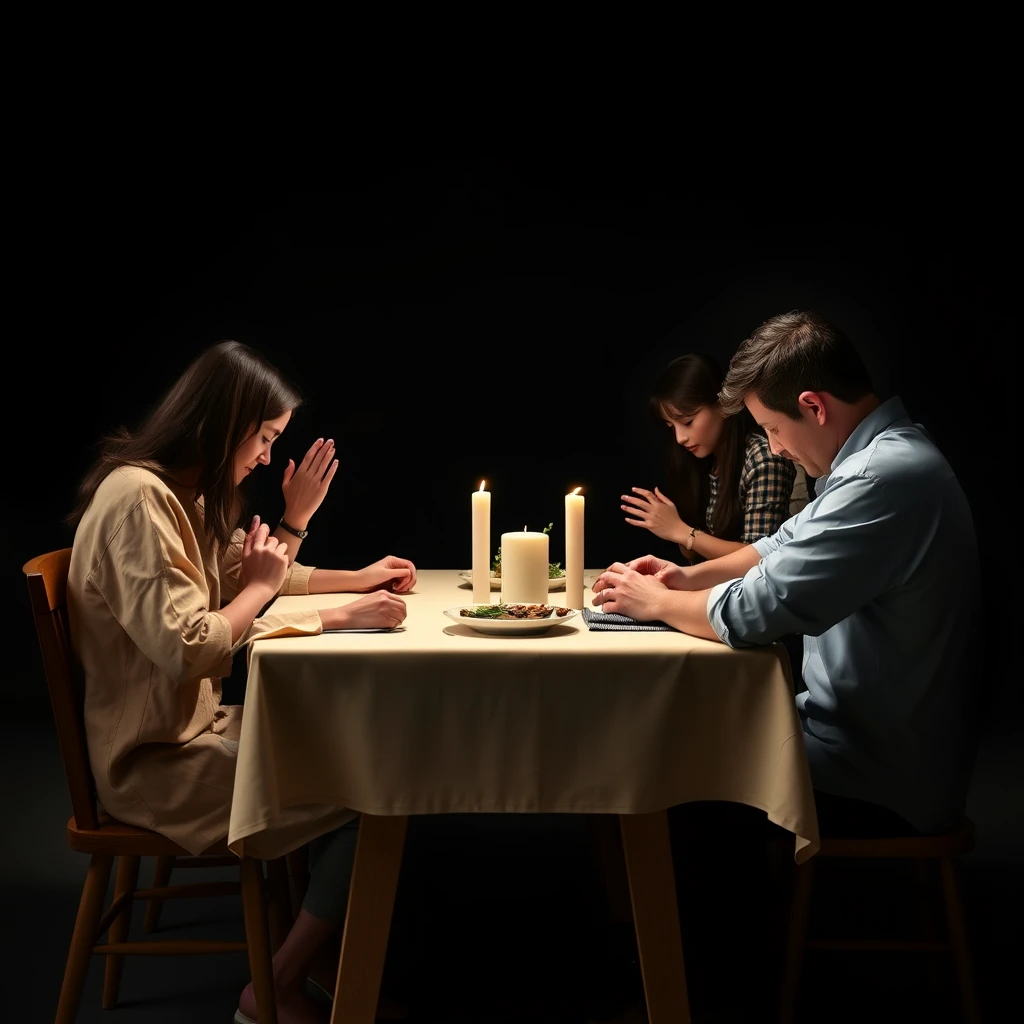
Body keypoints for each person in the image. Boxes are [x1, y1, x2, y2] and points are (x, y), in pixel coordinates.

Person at [66, 340, 416, 1024]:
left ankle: (301, 953)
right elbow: (191, 646)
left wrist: (327, 553)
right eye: (263, 437)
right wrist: (264, 586)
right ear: (223, 421)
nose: (263, 455)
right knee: (375, 793)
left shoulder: (171, 492)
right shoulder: (140, 500)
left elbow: (239, 571)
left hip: (187, 731)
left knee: (349, 750)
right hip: (155, 762)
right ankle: (272, 986)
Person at [595, 310, 981, 838]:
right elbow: (777, 544)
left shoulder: (880, 477)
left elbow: (753, 612)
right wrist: (685, 578)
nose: (775, 447)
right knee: (674, 736)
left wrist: (652, 601)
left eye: (773, 429)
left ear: (813, 407)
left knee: (660, 759)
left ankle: (701, 919)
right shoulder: (878, 458)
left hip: (874, 777)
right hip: (860, 747)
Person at [622, 351, 799, 564]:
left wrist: (681, 531)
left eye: (687, 422)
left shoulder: (762, 459)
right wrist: (671, 526)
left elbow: (759, 559)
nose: (679, 438)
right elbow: (694, 554)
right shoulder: (705, 461)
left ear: (721, 404)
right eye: (671, 426)